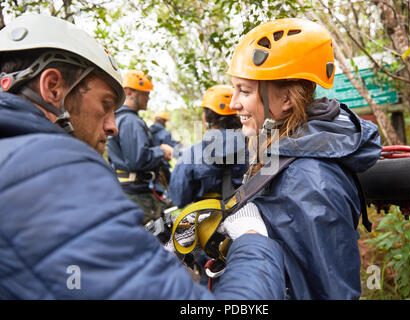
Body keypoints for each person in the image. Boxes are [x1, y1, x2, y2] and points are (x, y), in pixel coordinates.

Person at [0, 14, 285, 299]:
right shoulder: (266, 145)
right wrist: (254, 240)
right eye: (105, 103)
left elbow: (181, 186)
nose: (113, 127)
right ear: (52, 88)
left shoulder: (27, 163)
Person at [227, 18, 382, 299]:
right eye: (235, 89)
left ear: (286, 99)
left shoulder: (308, 181)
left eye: (245, 91)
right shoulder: (284, 148)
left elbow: (330, 292)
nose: (233, 103)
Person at [107, 70, 173, 225]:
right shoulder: (130, 121)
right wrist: (161, 152)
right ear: (129, 92)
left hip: (131, 190)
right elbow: (137, 159)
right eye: (145, 94)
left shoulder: (121, 118)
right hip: (137, 195)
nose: (148, 98)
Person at [168, 85, 248, 208]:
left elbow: (179, 198)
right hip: (245, 216)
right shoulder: (253, 147)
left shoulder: (192, 154)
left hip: (207, 222)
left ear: (207, 117)